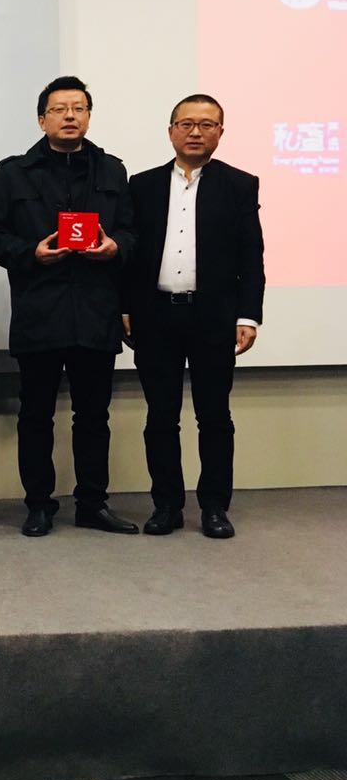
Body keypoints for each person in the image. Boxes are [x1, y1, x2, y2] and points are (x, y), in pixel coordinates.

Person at [0, 76, 138, 537]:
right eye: (59, 109)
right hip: (40, 311)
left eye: (78, 108)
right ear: (42, 119)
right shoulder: (13, 173)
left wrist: (115, 247)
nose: (70, 116)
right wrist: (30, 252)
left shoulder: (112, 171)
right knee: (35, 415)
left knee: (94, 416)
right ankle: (38, 505)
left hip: (95, 311)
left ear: (88, 116)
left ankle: (92, 503)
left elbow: (132, 232)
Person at [123, 94, 264, 539]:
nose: (196, 132)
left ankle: (215, 507)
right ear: (171, 132)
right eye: (186, 124)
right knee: (160, 417)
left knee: (215, 417)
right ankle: (166, 505)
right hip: (155, 315)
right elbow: (131, 256)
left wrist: (249, 315)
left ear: (220, 132)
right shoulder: (142, 185)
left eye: (207, 124)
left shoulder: (240, 185)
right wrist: (125, 306)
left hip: (213, 317)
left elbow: (251, 257)